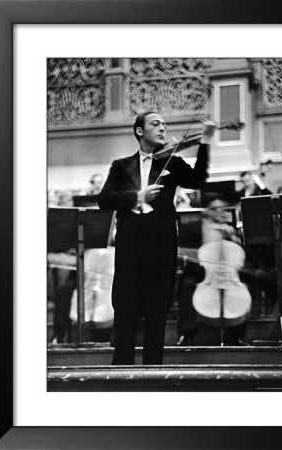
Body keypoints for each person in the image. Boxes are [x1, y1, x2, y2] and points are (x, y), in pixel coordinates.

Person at [98, 111, 215, 365]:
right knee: (125, 307)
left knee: (156, 309)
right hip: (130, 245)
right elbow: (104, 200)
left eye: (165, 124)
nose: (163, 128)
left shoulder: (171, 162)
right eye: (156, 124)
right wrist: (137, 196)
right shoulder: (121, 165)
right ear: (140, 131)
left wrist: (205, 141)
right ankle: (121, 373)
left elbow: (197, 180)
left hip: (161, 244)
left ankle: (153, 371)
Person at [176, 193, 247, 346]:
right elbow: (180, 250)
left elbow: (240, 255)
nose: (220, 212)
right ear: (207, 210)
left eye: (223, 209)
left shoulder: (231, 229)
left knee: (245, 290)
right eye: (215, 209)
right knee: (187, 285)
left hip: (228, 273)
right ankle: (186, 334)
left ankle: (235, 336)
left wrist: (234, 238)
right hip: (200, 272)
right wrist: (202, 254)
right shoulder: (193, 227)